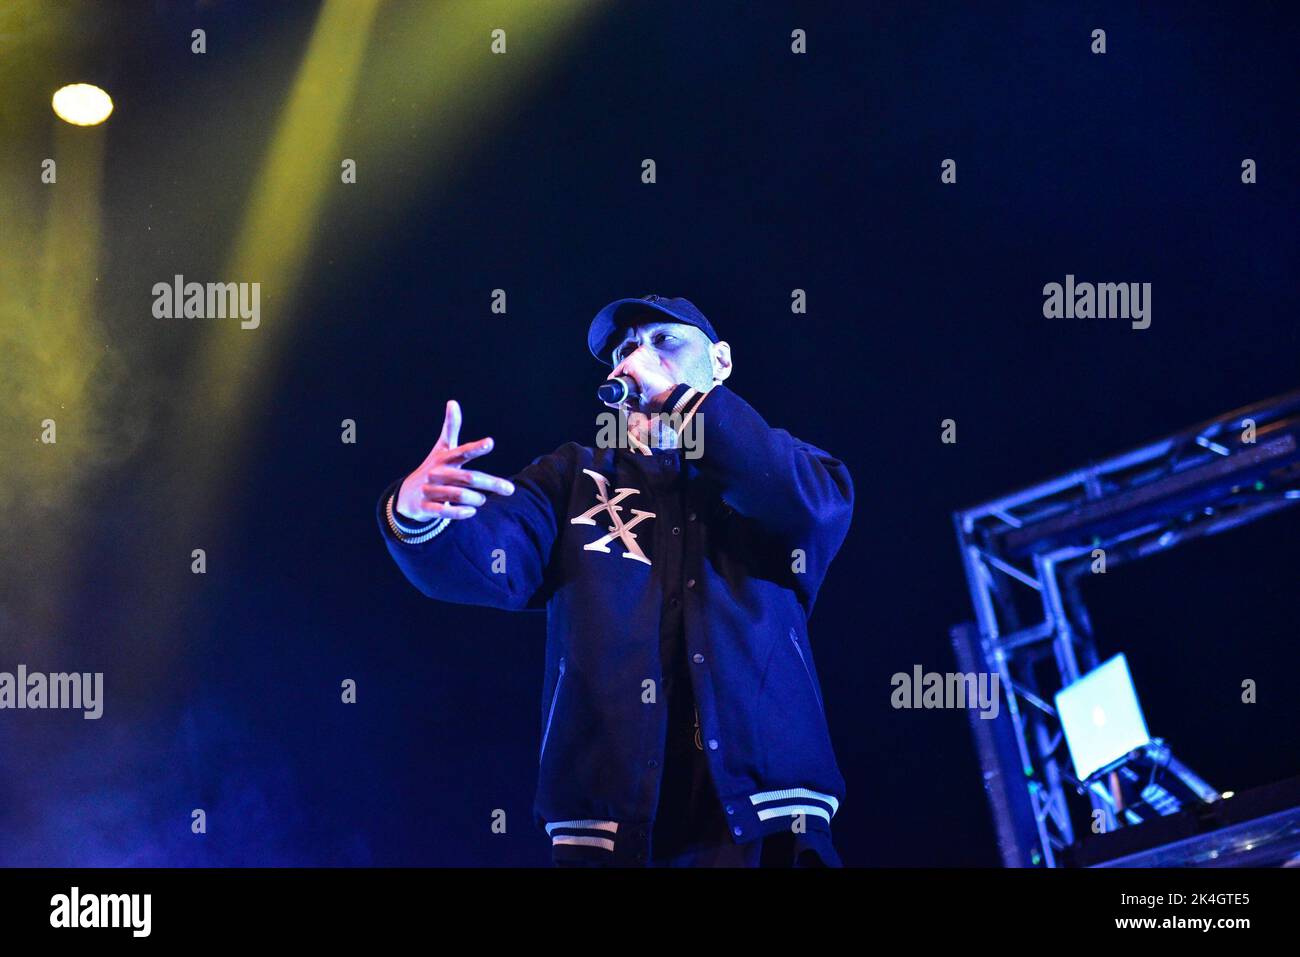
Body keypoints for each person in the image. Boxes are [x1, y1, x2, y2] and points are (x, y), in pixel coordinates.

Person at [376, 294, 854, 866]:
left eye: (664, 342)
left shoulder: (781, 468)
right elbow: (490, 558)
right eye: (625, 351)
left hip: (770, 819)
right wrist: (417, 513)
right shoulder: (573, 477)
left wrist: (687, 405)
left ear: (720, 362)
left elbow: (811, 508)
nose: (635, 360)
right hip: (607, 831)